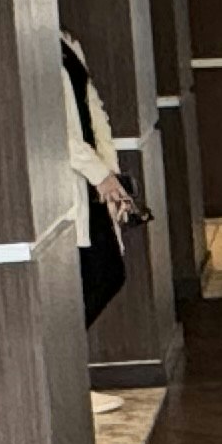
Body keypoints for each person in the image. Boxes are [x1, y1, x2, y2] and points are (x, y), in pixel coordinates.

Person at [64, 30, 137, 326]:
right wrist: (100, 174)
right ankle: (64, 349)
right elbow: (54, 129)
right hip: (71, 179)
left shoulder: (67, 43)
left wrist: (110, 174)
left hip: (93, 179)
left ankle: (67, 347)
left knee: (110, 273)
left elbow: (94, 111)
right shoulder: (33, 46)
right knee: (98, 275)